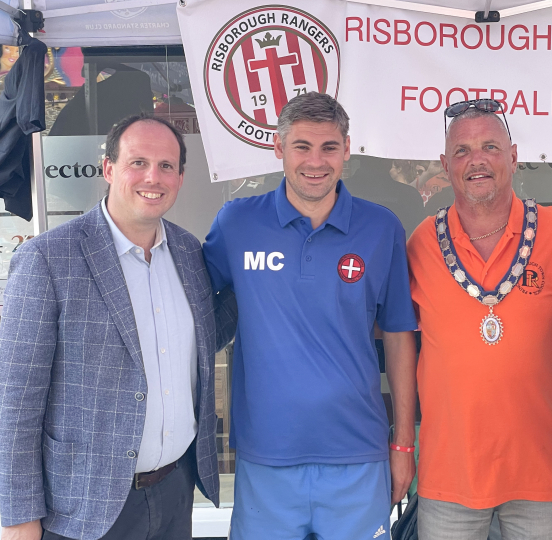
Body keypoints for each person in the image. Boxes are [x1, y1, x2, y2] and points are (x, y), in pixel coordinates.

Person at [0, 114, 229, 540]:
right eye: (138, 162)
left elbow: (206, 338)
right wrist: (18, 517)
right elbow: (15, 402)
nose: (152, 177)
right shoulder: (49, 260)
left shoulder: (189, 252)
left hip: (174, 494)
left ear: (180, 176)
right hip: (82, 509)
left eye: (166, 166)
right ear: (108, 168)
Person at [202, 92, 417, 540]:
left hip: (359, 452)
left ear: (347, 149)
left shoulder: (381, 228)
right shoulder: (237, 223)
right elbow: (191, 302)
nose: (315, 161)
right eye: (302, 146)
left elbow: (399, 336)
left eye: (329, 147)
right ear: (279, 149)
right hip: (266, 455)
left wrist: (403, 442)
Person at [407, 99, 552, 540]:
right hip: (448, 478)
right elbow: (396, 340)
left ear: (513, 155)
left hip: (541, 477)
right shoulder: (421, 244)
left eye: (490, 146)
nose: (476, 160)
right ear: (444, 164)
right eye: (461, 150)